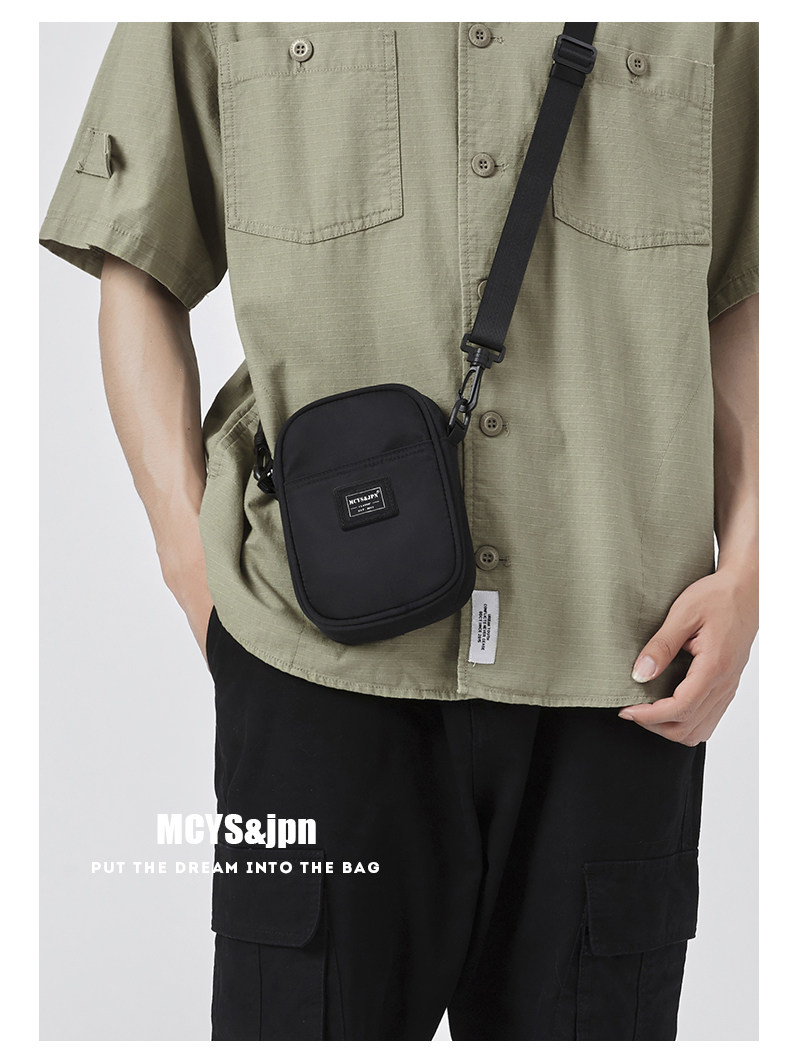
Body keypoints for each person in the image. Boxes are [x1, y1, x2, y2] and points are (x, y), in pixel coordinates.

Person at [40, 22, 758, 1041]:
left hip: (621, 665)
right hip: (313, 659)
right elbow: (136, 261)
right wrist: (195, 575)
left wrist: (752, 568)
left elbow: (743, 287)